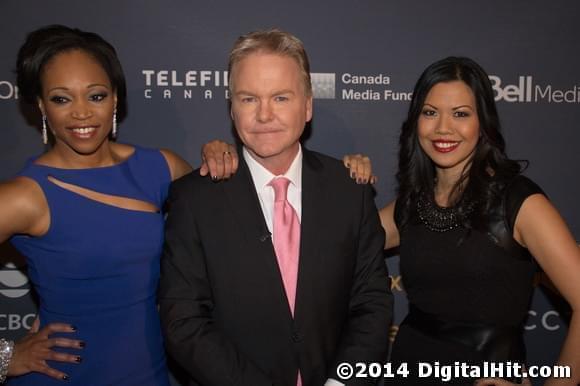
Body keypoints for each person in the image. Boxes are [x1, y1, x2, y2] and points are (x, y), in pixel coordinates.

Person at [159, 29, 393, 386]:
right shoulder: (194, 199)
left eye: (281, 98)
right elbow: (184, 322)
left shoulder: (350, 191)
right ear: (232, 108)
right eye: (249, 99)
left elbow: (371, 304)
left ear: (308, 105)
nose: (264, 115)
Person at [0, 25, 194, 385]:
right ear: (41, 105)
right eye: (61, 99)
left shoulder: (160, 168)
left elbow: (229, 230)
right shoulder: (25, 195)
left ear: (115, 98)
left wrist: (221, 158)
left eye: (96, 96)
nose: (82, 114)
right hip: (65, 375)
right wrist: (6, 357)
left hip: (148, 373)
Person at [371, 57, 580, 385]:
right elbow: (343, 235)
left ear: (483, 122)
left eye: (460, 114)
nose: (443, 128)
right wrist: (345, 179)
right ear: (415, 122)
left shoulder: (519, 202)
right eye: (430, 112)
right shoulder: (414, 202)